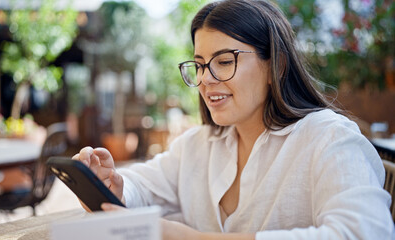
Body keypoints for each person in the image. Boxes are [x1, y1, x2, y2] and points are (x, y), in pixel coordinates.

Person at [73, 0, 394, 239]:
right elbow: (142, 185)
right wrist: (114, 185)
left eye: (224, 61)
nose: (205, 79)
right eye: (199, 65)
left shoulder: (329, 139)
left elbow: (365, 232)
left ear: (276, 66)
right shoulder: (198, 145)